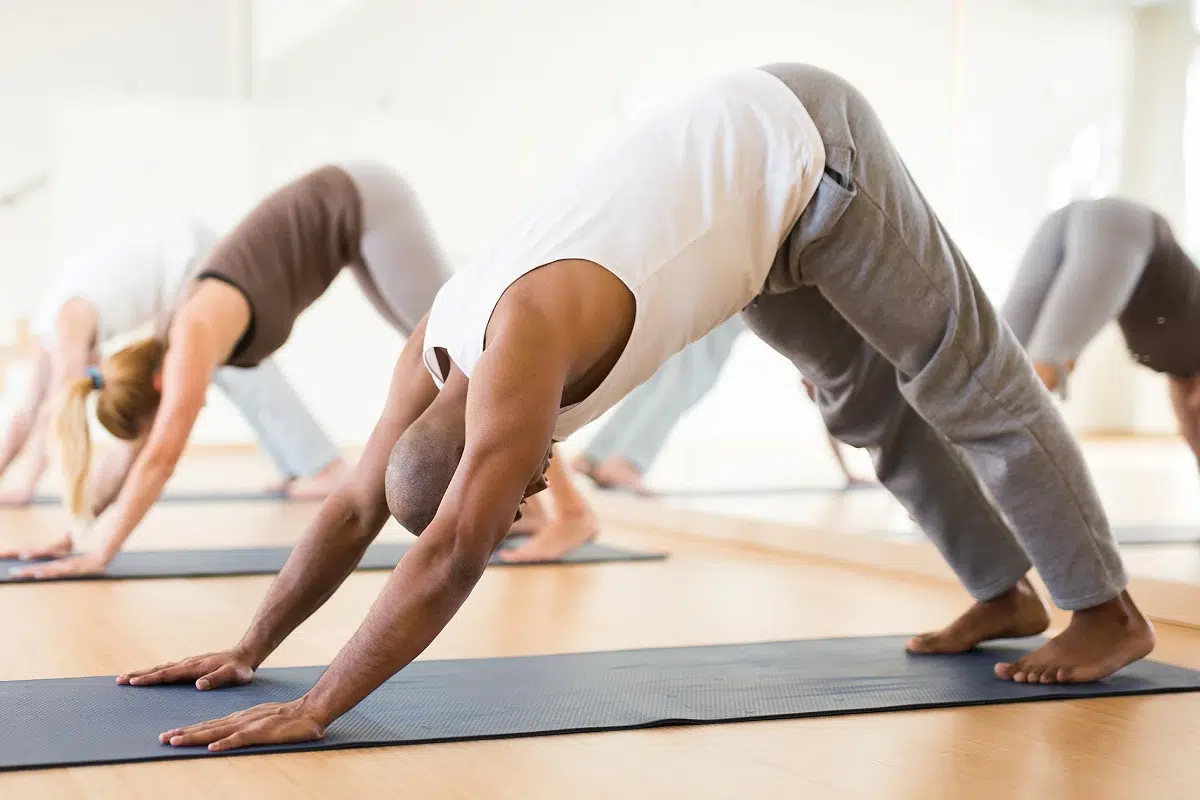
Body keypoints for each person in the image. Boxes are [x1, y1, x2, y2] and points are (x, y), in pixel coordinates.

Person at [119, 64, 1153, 754]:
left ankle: (1107, 613)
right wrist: (251, 644)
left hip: (808, 145)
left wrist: (317, 706)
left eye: (511, 492)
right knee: (863, 404)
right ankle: (1004, 592)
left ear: (488, 456)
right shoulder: (434, 342)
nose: (531, 493)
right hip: (752, 213)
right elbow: (356, 506)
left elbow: (449, 555)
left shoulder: (520, 350)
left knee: (965, 374)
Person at [5, 161, 452, 579]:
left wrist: (101, 555)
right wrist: (74, 534)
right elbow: (129, 457)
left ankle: (498, 509)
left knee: (460, 341)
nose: (194, 411)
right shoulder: (166, 350)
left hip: (362, 198)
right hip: (348, 226)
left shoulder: (190, 337)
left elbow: (159, 460)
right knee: (439, 353)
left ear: (158, 385)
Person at [0, 217, 348, 519]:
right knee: (233, 369)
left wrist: (27, 484)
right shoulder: (52, 329)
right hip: (180, 261)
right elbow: (27, 412)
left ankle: (325, 467)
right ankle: (294, 467)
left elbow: (57, 411)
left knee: (243, 369)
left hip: (189, 259)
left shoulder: (66, 326)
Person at [570, 316, 871, 494]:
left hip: (709, 274)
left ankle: (597, 455)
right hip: (739, 281)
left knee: (667, 373)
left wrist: (846, 473)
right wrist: (846, 473)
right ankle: (625, 462)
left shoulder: (833, 335)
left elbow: (824, 393)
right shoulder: (835, 341)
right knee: (690, 376)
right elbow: (825, 392)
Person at [1003, 197, 1200, 465]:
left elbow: (1190, 405)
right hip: (1123, 229)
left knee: (995, 363)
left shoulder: (1182, 366)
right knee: (1043, 368)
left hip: (1081, 219)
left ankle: (956, 466)